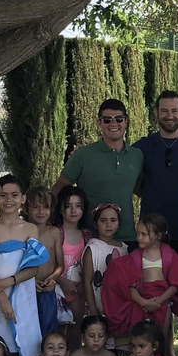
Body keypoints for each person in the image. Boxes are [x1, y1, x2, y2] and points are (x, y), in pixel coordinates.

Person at [0, 174, 50, 356]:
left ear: (23, 199)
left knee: (23, 342)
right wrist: (2, 297)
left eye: (14, 195)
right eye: (3, 195)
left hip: (22, 294)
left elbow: (33, 267)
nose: (9, 200)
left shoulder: (30, 229)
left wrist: (8, 282)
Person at [100, 211, 178, 356]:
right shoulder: (135, 257)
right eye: (138, 233)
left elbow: (176, 283)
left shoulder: (169, 256)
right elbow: (130, 285)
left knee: (160, 341)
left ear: (158, 236)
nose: (138, 237)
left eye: (144, 234)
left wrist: (158, 302)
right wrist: (143, 302)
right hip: (141, 304)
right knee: (139, 341)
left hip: (162, 305)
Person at [54, 98, 143, 245]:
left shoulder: (137, 156)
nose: (113, 124)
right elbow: (60, 187)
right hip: (91, 238)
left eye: (119, 119)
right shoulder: (83, 155)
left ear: (126, 121)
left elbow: (139, 188)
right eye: (107, 120)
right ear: (99, 123)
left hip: (128, 238)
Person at [132, 91, 178, 257]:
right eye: (164, 111)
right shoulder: (142, 148)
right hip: (152, 234)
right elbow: (129, 181)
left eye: (174, 111)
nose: (169, 116)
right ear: (156, 113)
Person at [51, 185, 90, 346]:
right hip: (56, 290)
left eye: (78, 206)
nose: (73, 210)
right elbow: (47, 263)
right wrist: (61, 281)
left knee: (75, 332)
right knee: (55, 334)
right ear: (60, 209)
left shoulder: (87, 235)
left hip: (78, 291)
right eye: (68, 206)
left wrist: (83, 285)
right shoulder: (55, 233)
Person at [24, 187, 63, 337]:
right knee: (28, 331)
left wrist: (53, 278)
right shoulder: (22, 231)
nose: (41, 211)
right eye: (35, 207)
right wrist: (29, 281)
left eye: (46, 207)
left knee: (48, 330)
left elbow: (60, 265)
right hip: (26, 290)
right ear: (26, 209)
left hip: (47, 290)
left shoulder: (53, 232)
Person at [85, 203, 129, 319]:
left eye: (113, 220)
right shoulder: (93, 248)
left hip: (120, 309)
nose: (108, 225)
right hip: (99, 307)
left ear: (119, 224)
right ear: (95, 224)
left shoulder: (124, 248)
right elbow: (87, 281)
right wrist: (93, 310)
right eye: (103, 221)